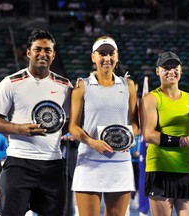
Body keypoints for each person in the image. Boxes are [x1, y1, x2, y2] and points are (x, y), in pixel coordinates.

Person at [0, 29, 73, 215]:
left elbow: (70, 121)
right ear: (28, 52)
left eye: (47, 50)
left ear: (53, 55)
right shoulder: (10, 83)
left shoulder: (65, 86)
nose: (43, 54)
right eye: (38, 49)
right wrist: (18, 129)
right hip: (19, 163)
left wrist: (57, 130)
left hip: (52, 164)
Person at [69, 35, 139, 216]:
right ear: (93, 57)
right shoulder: (81, 86)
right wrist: (93, 143)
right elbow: (73, 127)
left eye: (111, 53)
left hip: (120, 164)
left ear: (117, 56)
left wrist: (128, 139)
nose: (107, 58)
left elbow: (134, 123)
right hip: (88, 163)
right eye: (102, 53)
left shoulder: (128, 85)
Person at [140, 51, 189, 216]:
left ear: (181, 70)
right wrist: (183, 141)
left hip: (188, 169)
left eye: (174, 67)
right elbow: (149, 134)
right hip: (160, 170)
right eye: (166, 68)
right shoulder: (151, 98)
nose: (171, 71)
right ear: (157, 71)